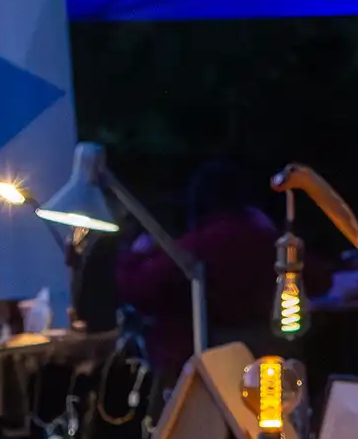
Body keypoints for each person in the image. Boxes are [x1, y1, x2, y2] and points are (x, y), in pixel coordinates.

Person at [115, 159, 301, 381]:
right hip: (266, 367)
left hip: (200, 370)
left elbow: (138, 287)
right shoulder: (263, 237)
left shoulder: (204, 244)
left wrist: (135, 254)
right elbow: (317, 278)